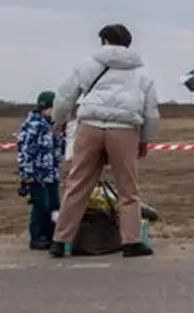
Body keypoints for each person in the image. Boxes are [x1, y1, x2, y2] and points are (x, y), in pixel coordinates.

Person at [48, 23, 158, 258]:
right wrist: (144, 140)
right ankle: (131, 241)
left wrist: (59, 120)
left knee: (77, 184)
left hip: (90, 125)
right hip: (125, 129)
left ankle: (60, 239)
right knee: (128, 189)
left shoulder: (88, 65)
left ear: (104, 41)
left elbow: (66, 94)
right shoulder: (141, 73)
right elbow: (151, 112)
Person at [16, 91, 67, 250]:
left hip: (51, 174)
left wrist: (60, 136)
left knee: (54, 206)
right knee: (41, 205)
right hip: (37, 175)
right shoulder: (33, 125)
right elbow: (25, 151)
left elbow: (59, 151)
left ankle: (52, 235)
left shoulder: (51, 126)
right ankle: (37, 237)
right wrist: (27, 174)